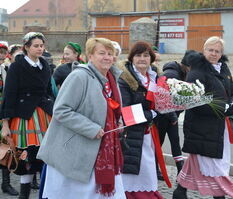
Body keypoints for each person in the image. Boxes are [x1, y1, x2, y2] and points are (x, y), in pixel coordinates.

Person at [37, 37, 126, 199]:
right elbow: (61, 110)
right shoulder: (79, 76)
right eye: (101, 53)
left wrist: (118, 121)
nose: (107, 57)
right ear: (90, 56)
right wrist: (91, 128)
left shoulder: (112, 79)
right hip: (75, 154)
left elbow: (111, 109)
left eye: (110, 53)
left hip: (102, 151)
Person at [173, 36, 233, 199]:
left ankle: (180, 191)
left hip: (220, 126)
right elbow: (193, 101)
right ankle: (221, 195)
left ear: (221, 53)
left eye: (217, 51)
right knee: (214, 164)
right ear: (204, 50)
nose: (213, 54)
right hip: (202, 127)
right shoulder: (197, 72)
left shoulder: (224, 69)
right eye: (210, 50)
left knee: (198, 160)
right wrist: (223, 108)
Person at [1, 32, 54, 199]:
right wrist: (5, 123)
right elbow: (9, 94)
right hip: (25, 116)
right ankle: (24, 195)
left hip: (45, 113)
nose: (40, 49)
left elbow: (48, 91)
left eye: (41, 45)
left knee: (45, 155)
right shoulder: (17, 66)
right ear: (26, 47)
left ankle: (45, 192)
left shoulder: (45, 65)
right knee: (26, 157)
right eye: (36, 46)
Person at [118, 41, 165, 199]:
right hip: (131, 132)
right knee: (133, 168)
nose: (142, 59)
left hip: (148, 132)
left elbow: (160, 101)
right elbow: (125, 110)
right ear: (131, 58)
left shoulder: (155, 77)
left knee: (148, 167)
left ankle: (146, 193)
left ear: (151, 59)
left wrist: (170, 109)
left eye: (146, 55)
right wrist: (150, 114)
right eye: (138, 55)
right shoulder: (124, 79)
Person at [156, 50, 196, 179]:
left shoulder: (182, 74)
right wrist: (173, 116)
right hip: (162, 117)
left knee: (175, 142)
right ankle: (156, 169)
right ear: (187, 66)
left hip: (171, 116)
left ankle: (180, 171)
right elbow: (162, 96)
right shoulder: (171, 74)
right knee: (159, 143)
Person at [0, 42, 20, 196]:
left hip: (3, 112)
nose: (1, 56)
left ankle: (5, 184)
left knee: (5, 147)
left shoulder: (5, 69)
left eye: (2, 53)